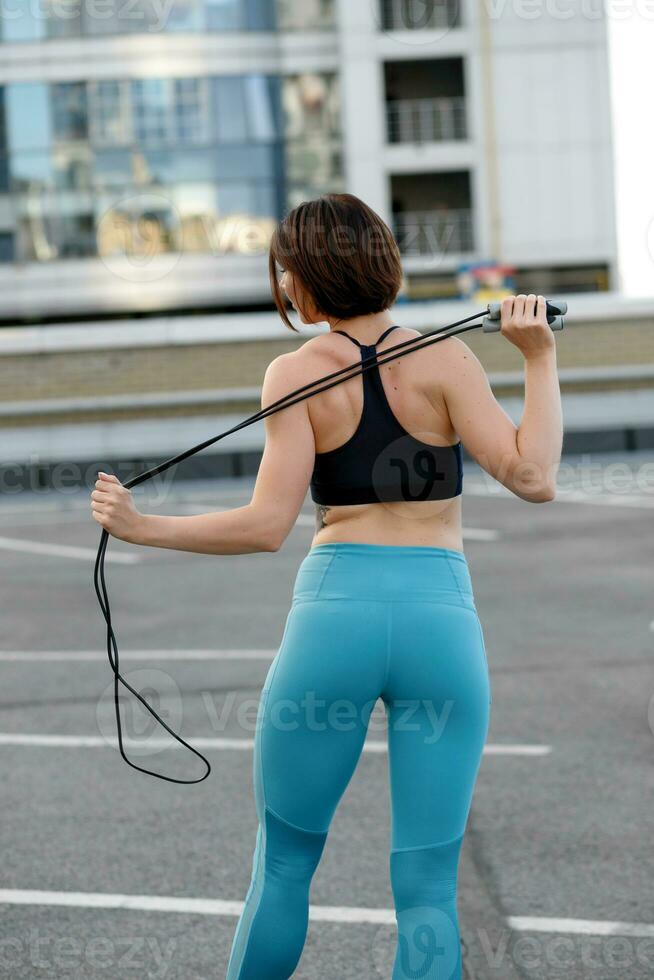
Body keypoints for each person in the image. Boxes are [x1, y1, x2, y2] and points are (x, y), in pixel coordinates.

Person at [90, 193, 563, 979]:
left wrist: (144, 528)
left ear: (303, 282)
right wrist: (539, 357)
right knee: (426, 893)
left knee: (281, 868)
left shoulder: (295, 373)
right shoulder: (449, 357)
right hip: (439, 623)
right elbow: (534, 476)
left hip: (334, 618)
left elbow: (266, 526)